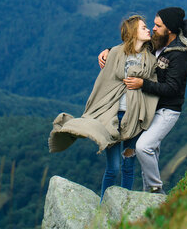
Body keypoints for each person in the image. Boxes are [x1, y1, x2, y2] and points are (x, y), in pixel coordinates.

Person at [48, 15, 159, 199]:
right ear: (132, 33)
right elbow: (103, 84)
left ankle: (124, 206)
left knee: (128, 166)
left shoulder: (151, 59)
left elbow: (152, 87)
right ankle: (103, 206)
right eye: (143, 27)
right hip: (112, 117)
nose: (148, 30)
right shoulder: (115, 53)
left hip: (134, 118)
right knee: (113, 167)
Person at [98, 7, 187, 194]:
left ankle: (155, 190)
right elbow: (131, 46)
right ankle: (147, 196)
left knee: (143, 148)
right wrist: (108, 50)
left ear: (170, 29)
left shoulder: (180, 56)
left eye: (158, 25)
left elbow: (172, 89)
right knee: (150, 153)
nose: (154, 28)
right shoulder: (157, 44)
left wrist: (143, 83)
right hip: (148, 109)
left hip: (167, 110)